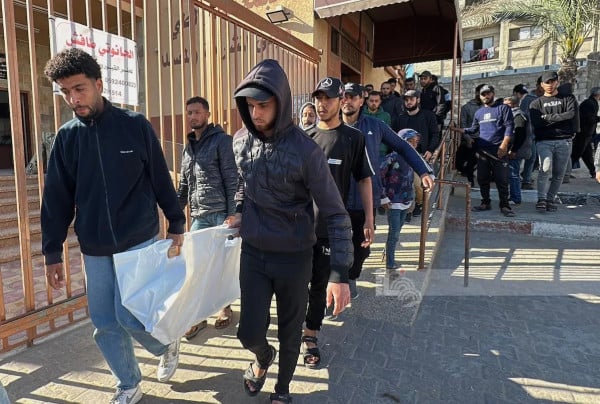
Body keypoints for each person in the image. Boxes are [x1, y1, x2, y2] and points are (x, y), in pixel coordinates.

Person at [41, 48, 185, 404]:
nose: (73, 99)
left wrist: (177, 222)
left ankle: (165, 342)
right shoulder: (66, 138)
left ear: (99, 84)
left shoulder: (134, 126)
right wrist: (52, 253)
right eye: (65, 92)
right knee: (105, 321)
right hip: (94, 247)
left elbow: (159, 177)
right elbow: (57, 199)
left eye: (79, 89)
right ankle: (128, 383)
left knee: (128, 313)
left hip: (137, 238)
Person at [230, 59, 353, 404]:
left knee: (290, 331)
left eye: (263, 105)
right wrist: (239, 210)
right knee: (248, 331)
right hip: (254, 253)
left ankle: (282, 390)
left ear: (281, 103)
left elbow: (335, 212)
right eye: (249, 105)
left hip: (295, 257)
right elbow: (243, 181)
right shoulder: (239, 141)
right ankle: (262, 356)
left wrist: (340, 273)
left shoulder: (307, 151)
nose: (255, 113)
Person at [302, 77, 374, 369]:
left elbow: (364, 179)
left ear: (341, 100)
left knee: (320, 285)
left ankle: (310, 336)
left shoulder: (353, 138)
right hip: (299, 229)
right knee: (296, 285)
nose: (322, 104)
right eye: (318, 98)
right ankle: (293, 328)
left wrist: (369, 218)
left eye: (328, 98)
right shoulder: (304, 138)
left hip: (331, 229)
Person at [341, 83, 435, 282]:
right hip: (335, 198)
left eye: (352, 97)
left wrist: (423, 170)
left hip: (364, 199)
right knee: (332, 244)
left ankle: (351, 276)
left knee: (362, 246)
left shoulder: (375, 126)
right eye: (344, 97)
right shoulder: (329, 126)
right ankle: (338, 280)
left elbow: (402, 146)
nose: (347, 101)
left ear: (361, 100)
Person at [177, 96, 237, 339]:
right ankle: (199, 316)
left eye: (197, 112)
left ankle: (224, 308)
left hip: (221, 215)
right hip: (199, 216)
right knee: (196, 269)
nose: (193, 116)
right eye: (189, 112)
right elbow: (183, 185)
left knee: (221, 267)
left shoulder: (222, 141)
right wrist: (174, 214)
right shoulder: (187, 148)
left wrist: (233, 214)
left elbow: (232, 179)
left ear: (207, 114)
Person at [451, 84, 515, 217]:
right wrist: (459, 130)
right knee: (482, 178)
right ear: (479, 96)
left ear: (493, 93)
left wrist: (504, 145)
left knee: (501, 180)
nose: (486, 96)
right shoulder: (479, 113)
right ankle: (485, 202)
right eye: (483, 94)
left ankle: (505, 205)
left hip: (499, 151)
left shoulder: (503, 108)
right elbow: (473, 129)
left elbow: (509, 127)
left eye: (488, 93)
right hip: (483, 152)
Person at [529, 71, 578, 212]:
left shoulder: (568, 98)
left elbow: (570, 114)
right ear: (541, 85)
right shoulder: (535, 103)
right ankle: (541, 199)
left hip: (564, 141)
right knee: (544, 169)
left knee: (559, 174)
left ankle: (550, 199)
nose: (550, 85)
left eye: (552, 81)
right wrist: (559, 117)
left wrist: (547, 117)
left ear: (557, 82)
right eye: (547, 82)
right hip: (544, 141)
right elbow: (537, 123)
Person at [381, 129, 420, 270]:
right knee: (394, 232)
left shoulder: (413, 157)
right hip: (393, 201)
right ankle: (390, 262)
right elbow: (379, 176)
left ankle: (388, 252)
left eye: (416, 142)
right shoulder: (392, 157)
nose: (414, 144)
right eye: (410, 141)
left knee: (397, 230)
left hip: (406, 199)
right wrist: (383, 197)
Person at [397, 89, 439, 219]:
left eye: (411, 99)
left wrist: (430, 150)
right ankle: (408, 210)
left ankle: (419, 203)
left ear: (418, 100)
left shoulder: (428, 116)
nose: (408, 102)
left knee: (417, 184)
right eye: (406, 100)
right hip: (403, 155)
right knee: (404, 183)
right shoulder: (400, 118)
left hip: (421, 155)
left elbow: (435, 134)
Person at [504, 96, 532, 205]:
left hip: (516, 150)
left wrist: (513, 150)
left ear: (513, 104)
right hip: (515, 149)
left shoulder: (518, 116)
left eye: (506, 105)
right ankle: (513, 196)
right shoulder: (514, 114)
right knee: (512, 173)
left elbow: (520, 135)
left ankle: (515, 197)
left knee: (513, 174)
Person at [456, 84, 484, 186]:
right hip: (470, 139)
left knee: (474, 162)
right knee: (459, 163)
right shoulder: (467, 107)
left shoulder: (490, 108)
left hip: (484, 140)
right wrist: (467, 138)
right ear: (477, 93)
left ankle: (472, 182)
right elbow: (463, 124)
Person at [513, 83, 538, 190]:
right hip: (527, 134)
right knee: (529, 158)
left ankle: (521, 179)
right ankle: (523, 180)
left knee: (523, 158)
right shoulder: (533, 99)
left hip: (526, 134)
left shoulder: (524, 101)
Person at [571, 87, 600, 178]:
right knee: (576, 153)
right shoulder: (589, 103)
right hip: (583, 133)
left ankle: (593, 172)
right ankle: (563, 173)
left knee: (587, 154)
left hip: (587, 134)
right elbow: (588, 119)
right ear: (597, 94)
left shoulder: (592, 102)